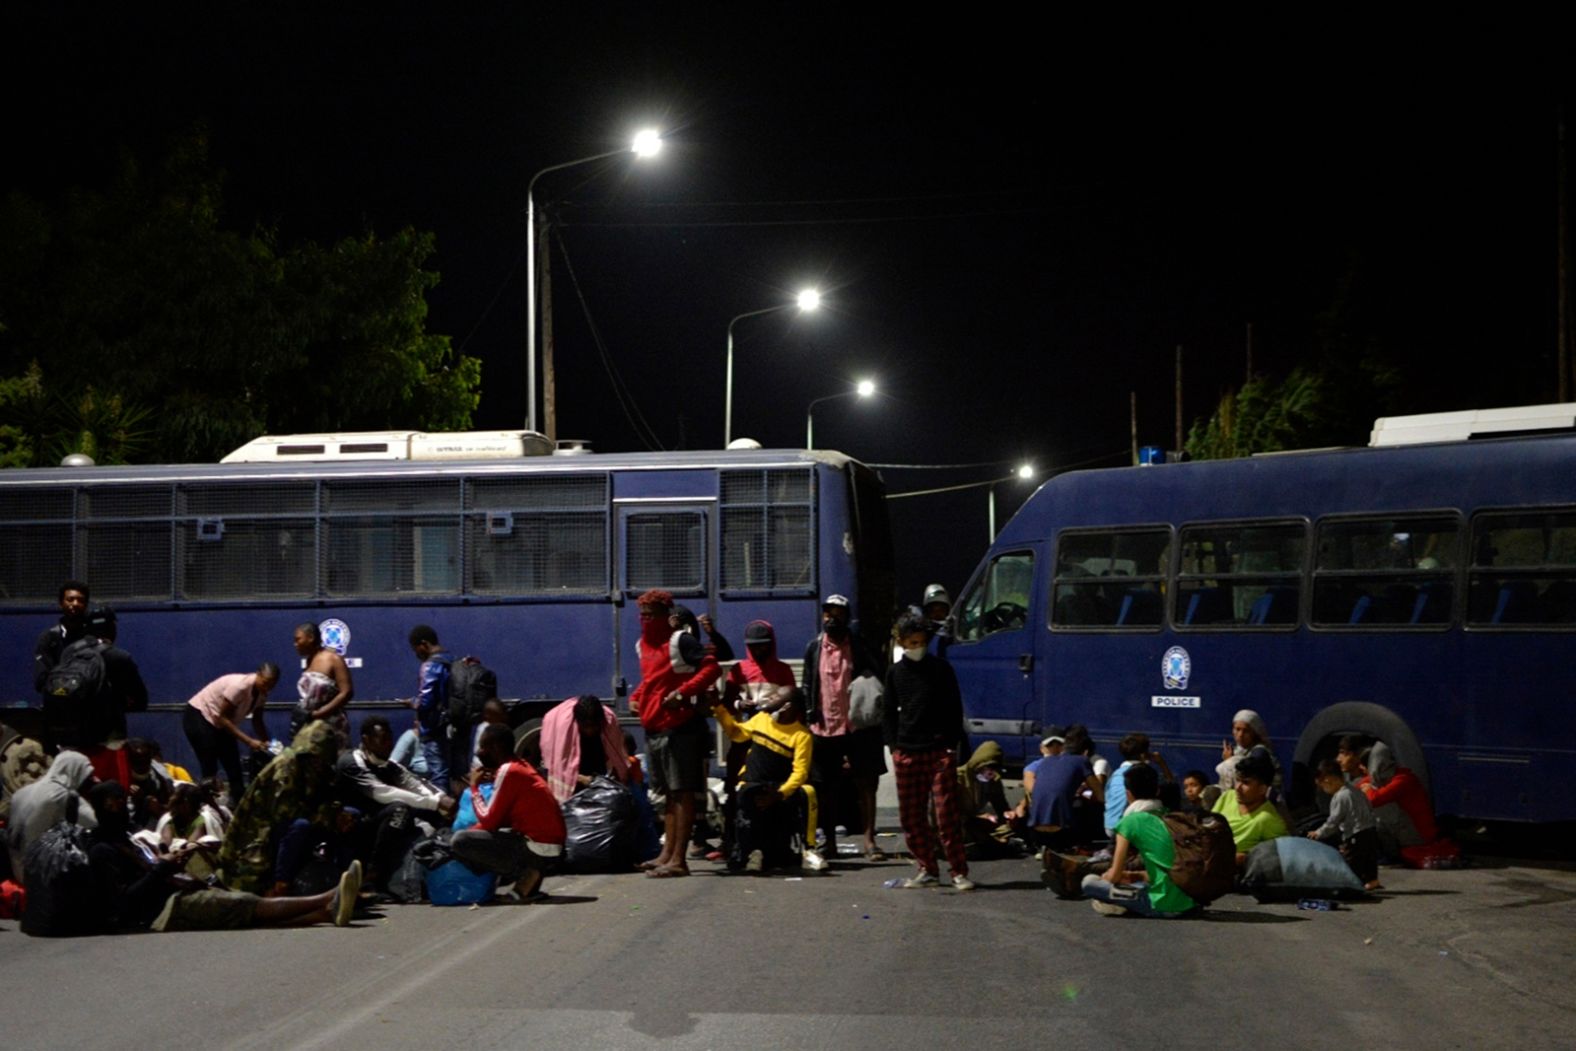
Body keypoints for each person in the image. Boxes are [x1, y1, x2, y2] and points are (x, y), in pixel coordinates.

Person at [85, 780, 362, 932]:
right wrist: (162, 870)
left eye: (124, 801)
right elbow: (123, 904)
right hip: (161, 912)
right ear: (100, 808)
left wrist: (172, 868)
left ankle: (326, 912)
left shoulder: (126, 837)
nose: (122, 808)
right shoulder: (103, 850)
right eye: (115, 804)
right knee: (243, 903)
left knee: (244, 913)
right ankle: (328, 898)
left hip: (174, 893)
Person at [629, 589, 720, 879]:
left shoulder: (680, 641)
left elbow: (711, 668)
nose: (646, 620)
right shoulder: (643, 645)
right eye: (642, 615)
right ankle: (667, 853)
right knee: (669, 794)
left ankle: (679, 859)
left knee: (682, 794)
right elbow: (651, 681)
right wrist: (638, 696)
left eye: (651, 615)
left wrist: (683, 693)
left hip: (680, 728)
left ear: (666, 616)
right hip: (655, 728)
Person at [885, 610, 973, 891]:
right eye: (911, 642)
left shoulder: (941, 670)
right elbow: (887, 712)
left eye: (921, 642)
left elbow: (954, 708)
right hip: (907, 751)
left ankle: (958, 871)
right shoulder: (895, 673)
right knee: (911, 816)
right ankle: (927, 868)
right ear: (901, 642)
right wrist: (894, 747)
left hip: (938, 751)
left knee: (946, 814)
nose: (917, 648)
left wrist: (951, 744)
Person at [801, 594, 887, 862]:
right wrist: (808, 715)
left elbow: (877, 675)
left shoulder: (860, 646)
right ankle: (830, 841)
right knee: (826, 787)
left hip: (858, 726)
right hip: (824, 727)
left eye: (837, 613)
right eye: (827, 613)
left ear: (847, 618)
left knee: (866, 782)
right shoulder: (814, 648)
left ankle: (869, 840)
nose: (831, 618)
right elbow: (807, 684)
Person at [216, 721, 346, 896]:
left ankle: (344, 879)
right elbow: (285, 813)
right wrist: (326, 817)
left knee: (351, 816)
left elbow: (331, 795)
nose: (319, 762)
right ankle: (280, 884)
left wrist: (338, 814)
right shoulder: (287, 766)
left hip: (294, 827)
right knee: (300, 826)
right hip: (261, 835)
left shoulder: (317, 767)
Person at [337, 716, 454, 894]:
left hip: (380, 824)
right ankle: (372, 875)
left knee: (435, 813)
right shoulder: (352, 762)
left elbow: (415, 783)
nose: (389, 744)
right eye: (382, 739)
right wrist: (435, 802)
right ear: (366, 740)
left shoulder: (389, 766)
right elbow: (382, 793)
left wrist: (442, 799)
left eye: (390, 738)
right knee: (400, 809)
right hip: (353, 826)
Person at [451, 724, 566, 902]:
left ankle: (526, 873)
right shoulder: (519, 767)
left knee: (460, 841)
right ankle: (528, 885)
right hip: (549, 846)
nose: (480, 753)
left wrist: (474, 787)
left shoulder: (509, 771)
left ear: (495, 747)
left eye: (483, 747)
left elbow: (489, 821)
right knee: (486, 835)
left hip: (540, 847)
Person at [711, 687, 815, 873]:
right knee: (747, 799)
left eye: (775, 696)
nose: (769, 698)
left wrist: (780, 794)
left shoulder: (801, 735)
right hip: (751, 784)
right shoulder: (762, 720)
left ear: (787, 706)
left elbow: (800, 773)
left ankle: (773, 852)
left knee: (795, 800)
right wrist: (718, 708)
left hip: (776, 788)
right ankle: (749, 852)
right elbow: (737, 734)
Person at [720, 620, 799, 861]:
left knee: (772, 789)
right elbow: (726, 702)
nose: (758, 651)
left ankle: (775, 843)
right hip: (745, 735)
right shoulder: (738, 670)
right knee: (736, 788)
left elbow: (793, 702)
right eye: (753, 647)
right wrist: (738, 705)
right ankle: (733, 841)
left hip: (774, 740)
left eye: (763, 646)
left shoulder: (782, 670)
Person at [1080, 763, 1199, 918]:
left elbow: (1114, 876)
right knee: (1136, 883)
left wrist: (1110, 876)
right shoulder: (1169, 816)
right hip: (1190, 902)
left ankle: (1120, 904)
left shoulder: (1129, 822)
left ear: (1128, 794)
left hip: (1163, 905)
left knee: (1089, 882)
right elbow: (1168, 870)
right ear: (1157, 791)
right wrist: (1135, 875)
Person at [183, 663, 279, 805]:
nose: (267, 688)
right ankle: (206, 809)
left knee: (234, 769)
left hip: (221, 724)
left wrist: (267, 741)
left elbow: (257, 720)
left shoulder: (262, 694)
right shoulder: (240, 686)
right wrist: (249, 741)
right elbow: (223, 717)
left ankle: (239, 812)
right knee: (210, 766)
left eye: (272, 685)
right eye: (265, 683)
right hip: (200, 716)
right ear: (258, 675)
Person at [6, 751, 97, 883]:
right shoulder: (62, 794)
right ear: (75, 771)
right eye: (87, 775)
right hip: (43, 875)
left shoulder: (20, 792)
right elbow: (94, 822)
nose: (92, 779)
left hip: (18, 869)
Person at [1014, 728, 1103, 853]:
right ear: (1085, 752)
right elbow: (1100, 795)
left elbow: (1036, 790)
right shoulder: (1082, 761)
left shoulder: (1044, 763)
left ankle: (1046, 848)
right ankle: (1082, 843)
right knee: (1087, 805)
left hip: (1035, 830)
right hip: (1062, 832)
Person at [540, 694, 631, 803]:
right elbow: (559, 768)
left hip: (594, 758)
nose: (590, 730)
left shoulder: (608, 722)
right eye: (586, 726)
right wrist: (580, 778)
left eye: (594, 726)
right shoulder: (564, 730)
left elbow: (616, 755)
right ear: (578, 722)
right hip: (573, 758)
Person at [1308, 759, 1382, 891]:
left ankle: (1353, 884)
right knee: (1369, 857)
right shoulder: (1357, 791)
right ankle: (1372, 880)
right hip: (1370, 829)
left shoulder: (1340, 796)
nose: (1324, 791)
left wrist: (1319, 833)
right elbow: (1370, 808)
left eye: (1322, 787)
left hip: (1355, 833)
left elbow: (1334, 821)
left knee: (1353, 860)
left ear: (1328, 780)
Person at [1358, 741, 1438, 858]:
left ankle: (1387, 854)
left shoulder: (1403, 780)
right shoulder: (1376, 781)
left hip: (1419, 836)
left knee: (1380, 808)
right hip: (1406, 832)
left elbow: (1374, 799)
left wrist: (1368, 790)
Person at [1211, 753, 1288, 867]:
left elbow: (1281, 856)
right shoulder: (1227, 797)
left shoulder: (1267, 819)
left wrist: (1246, 858)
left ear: (1262, 789)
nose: (1238, 787)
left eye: (1245, 783)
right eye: (1237, 780)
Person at [289, 622, 353, 746]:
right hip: (310, 725)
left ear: (311, 638)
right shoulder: (309, 661)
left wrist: (319, 714)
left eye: (298, 639)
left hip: (332, 726)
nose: (295, 644)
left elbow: (346, 692)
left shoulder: (333, 659)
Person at [406, 624, 453, 789]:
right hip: (451, 726)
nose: (416, 654)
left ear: (424, 644)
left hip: (434, 730)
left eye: (416, 649)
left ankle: (443, 811)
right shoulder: (450, 660)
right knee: (452, 772)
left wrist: (410, 702)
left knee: (438, 775)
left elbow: (425, 701)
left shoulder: (430, 666)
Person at [958, 741, 1018, 857]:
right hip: (958, 822)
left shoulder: (993, 780)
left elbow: (1001, 806)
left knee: (1007, 828)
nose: (988, 772)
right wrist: (978, 817)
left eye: (993, 768)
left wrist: (1008, 815)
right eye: (986, 767)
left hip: (975, 822)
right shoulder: (958, 778)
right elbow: (948, 813)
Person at [31, 579, 91, 696]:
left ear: (86, 604)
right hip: (58, 704)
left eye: (80, 600)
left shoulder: (93, 638)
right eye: (70, 599)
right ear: (61, 603)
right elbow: (41, 680)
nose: (75, 603)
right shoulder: (49, 638)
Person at [1215, 708, 1282, 793]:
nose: (1240, 735)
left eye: (1246, 731)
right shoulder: (1238, 750)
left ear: (1254, 733)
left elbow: (1248, 779)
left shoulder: (1259, 753)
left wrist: (1229, 761)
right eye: (1237, 729)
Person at [1104, 734, 1152, 840]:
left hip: (1109, 826)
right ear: (1143, 755)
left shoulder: (1116, 774)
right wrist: (1161, 763)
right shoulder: (1144, 773)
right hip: (1125, 828)